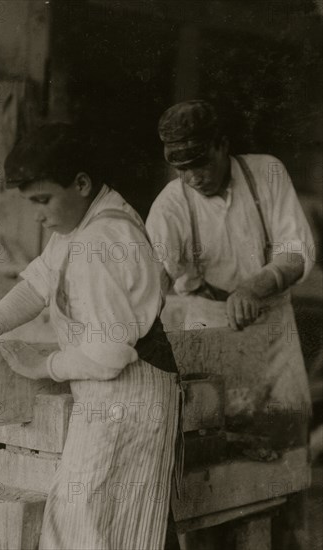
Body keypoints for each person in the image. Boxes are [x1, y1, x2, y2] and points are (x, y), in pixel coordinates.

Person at [0, 123, 182, 550]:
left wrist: (42, 364)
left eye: (43, 200)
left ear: (81, 183)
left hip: (127, 400)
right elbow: (36, 285)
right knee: (94, 529)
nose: (38, 216)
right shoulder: (82, 224)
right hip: (108, 395)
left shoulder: (103, 240)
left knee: (88, 532)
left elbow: (108, 355)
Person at [146, 99, 315, 549]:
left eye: (200, 163)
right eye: (181, 169)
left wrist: (256, 287)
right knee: (213, 462)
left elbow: (296, 250)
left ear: (223, 145)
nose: (193, 177)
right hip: (207, 328)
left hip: (272, 327)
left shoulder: (267, 173)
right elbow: (152, 283)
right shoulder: (170, 207)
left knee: (284, 451)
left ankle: (292, 540)